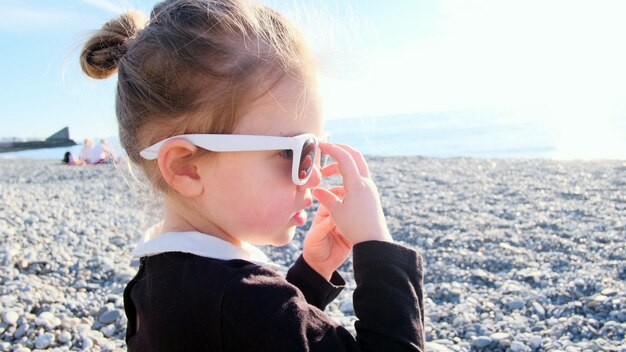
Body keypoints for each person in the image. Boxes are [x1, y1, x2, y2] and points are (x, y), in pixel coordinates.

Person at [80, 1, 424, 351]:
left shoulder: (160, 280)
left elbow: (262, 335)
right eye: (294, 152)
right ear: (186, 167)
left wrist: (312, 273)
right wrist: (378, 247)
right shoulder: (243, 302)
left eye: (317, 150)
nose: (315, 176)